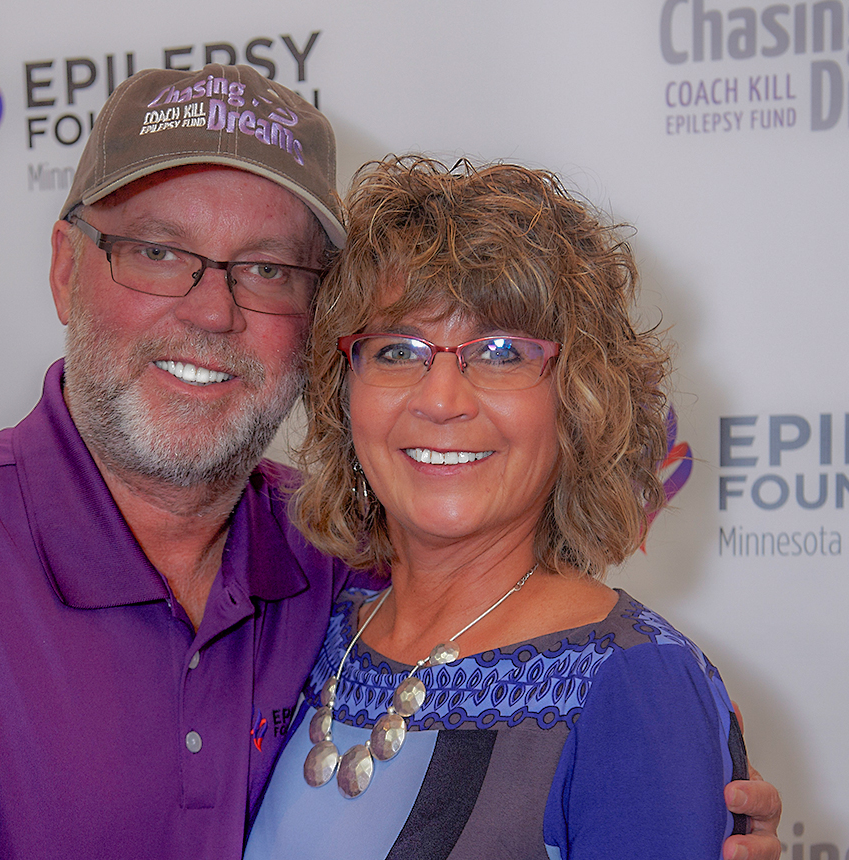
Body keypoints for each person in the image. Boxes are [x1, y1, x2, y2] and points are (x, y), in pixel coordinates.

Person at [0, 65, 780, 860]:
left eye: (268, 268)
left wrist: (667, 786)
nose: (210, 306)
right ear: (66, 269)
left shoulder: (341, 564)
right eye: (156, 250)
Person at [246, 156, 771, 859]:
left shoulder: (635, 689)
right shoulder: (310, 634)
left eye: (500, 352)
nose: (440, 400)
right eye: (398, 349)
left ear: (577, 398)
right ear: (344, 394)